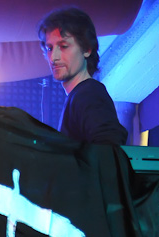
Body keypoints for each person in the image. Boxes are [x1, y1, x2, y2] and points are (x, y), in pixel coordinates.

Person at [38, 7, 128, 145]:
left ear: (86, 49)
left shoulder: (89, 93)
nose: (53, 57)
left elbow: (109, 146)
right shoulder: (80, 95)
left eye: (63, 46)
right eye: (50, 48)